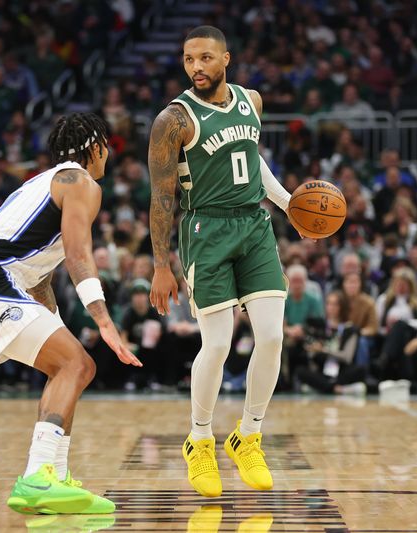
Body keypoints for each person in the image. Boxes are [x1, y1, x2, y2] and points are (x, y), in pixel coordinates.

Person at [0, 113, 139, 515]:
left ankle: (53, 477)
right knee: (76, 365)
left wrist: (57, 326)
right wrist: (103, 319)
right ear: (97, 147)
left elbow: (39, 276)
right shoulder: (82, 182)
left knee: (69, 367)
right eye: (107, 148)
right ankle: (38, 476)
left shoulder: (40, 184)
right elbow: (79, 254)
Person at [148, 26, 294, 498]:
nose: (196, 68)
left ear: (226, 58)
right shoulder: (173, 120)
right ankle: (200, 439)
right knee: (217, 345)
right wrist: (160, 264)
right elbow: (160, 197)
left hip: (253, 224)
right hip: (204, 230)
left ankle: (248, 435)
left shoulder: (252, 100)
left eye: (206, 58)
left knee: (272, 337)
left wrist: (289, 204)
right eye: (189, 59)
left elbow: (253, 161)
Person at [295, 291, 366, 395]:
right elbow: (311, 354)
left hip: (341, 370)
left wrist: (323, 350)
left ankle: (321, 388)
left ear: (342, 306)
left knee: (361, 369)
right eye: (328, 303)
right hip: (322, 370)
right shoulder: (320, 326)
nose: (331, 307)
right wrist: (312, 350)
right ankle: (338, 389)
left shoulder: (350, 329)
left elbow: (347, 357)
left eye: (335, 304)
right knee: (300, 370)